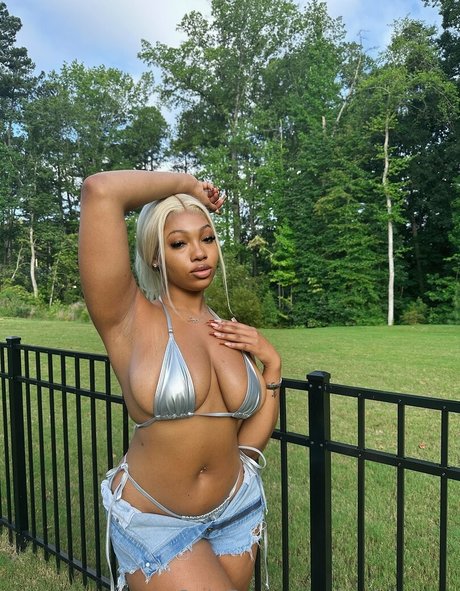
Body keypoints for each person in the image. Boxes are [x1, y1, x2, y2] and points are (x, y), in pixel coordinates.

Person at [78, 170, 281, 591]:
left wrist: (273, 368)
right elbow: (101, 191)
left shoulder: (229, 331)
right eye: (178, 243)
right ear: (155, 255)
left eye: (207, 238)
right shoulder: (129, 318)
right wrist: (187, 185)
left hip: (236, 510)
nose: (199, 253)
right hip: (157, 522)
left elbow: (245, 448)